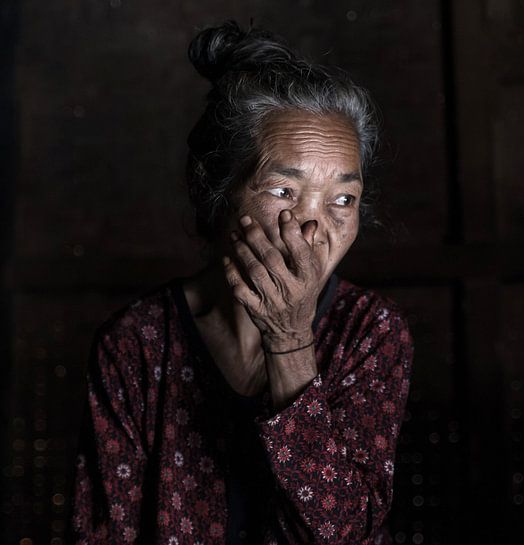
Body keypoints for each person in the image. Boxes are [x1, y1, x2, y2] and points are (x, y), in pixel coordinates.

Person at [69, 20, 414, 545]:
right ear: (218, 190)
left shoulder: (372, 332)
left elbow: (345, 533)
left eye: (342, 199)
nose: (314, 228)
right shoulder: (135, 345)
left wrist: (291, 340)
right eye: (283, 191)